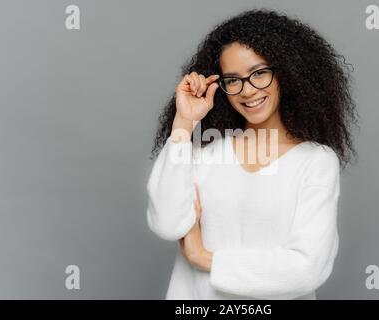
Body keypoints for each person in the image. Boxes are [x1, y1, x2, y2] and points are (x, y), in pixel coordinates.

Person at [146, 8, 358, 299]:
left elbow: (307, 269)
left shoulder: (315, 162)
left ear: (287, 72)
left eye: (259, 73)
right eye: (232, 80)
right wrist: (184, 123)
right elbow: (167, 223)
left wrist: (203, 257)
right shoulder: (204, 152)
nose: (247, 91)